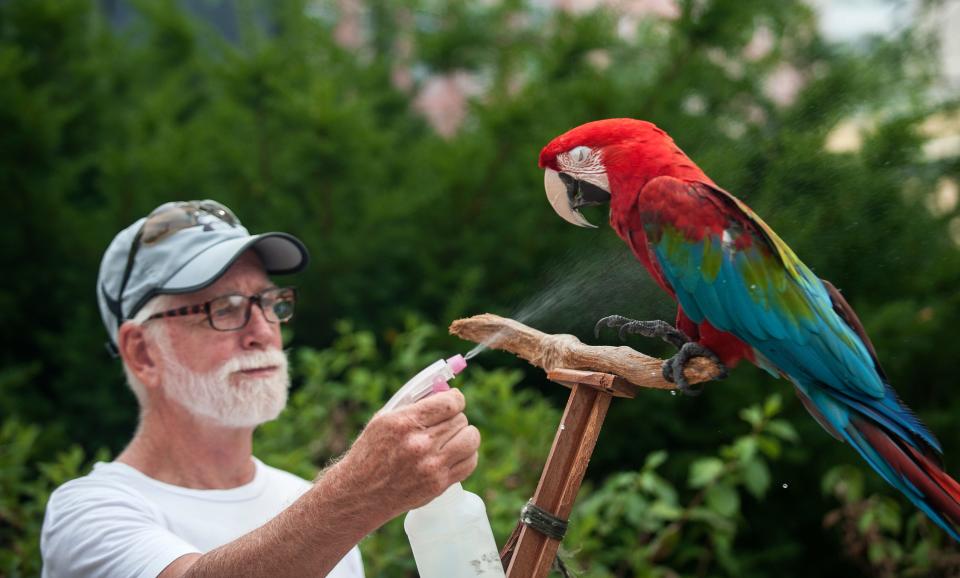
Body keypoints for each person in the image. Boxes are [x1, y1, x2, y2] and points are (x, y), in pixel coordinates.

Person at [40, 200, 481, 578]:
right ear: (141, 352)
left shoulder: (308, 505)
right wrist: (358, 493)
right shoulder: (86, 515)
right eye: (223, 308)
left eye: (271, 303)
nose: (262, 331)